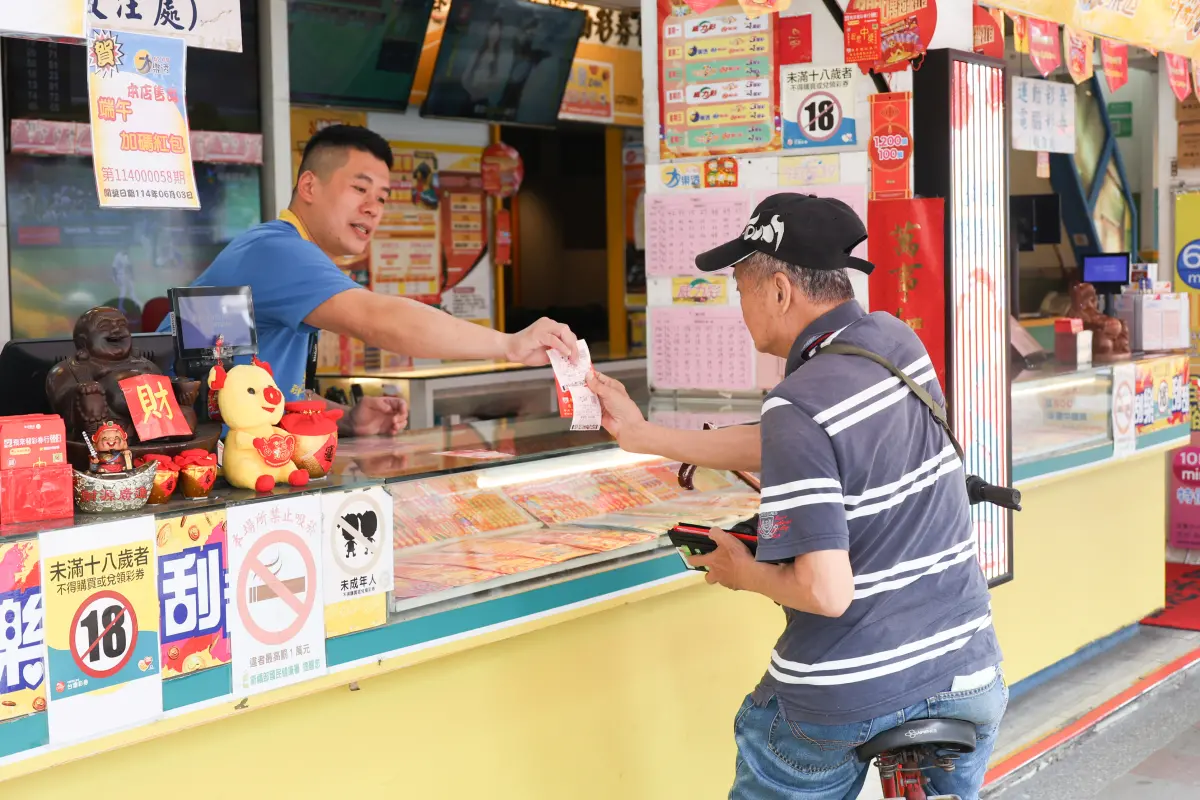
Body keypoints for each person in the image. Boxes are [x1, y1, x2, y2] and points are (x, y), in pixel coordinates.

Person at [587, 193, 1005, 800]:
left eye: (740, 289)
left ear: (780, 291)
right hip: (968, 676)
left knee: (778, 734)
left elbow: (824, 592)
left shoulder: (798, 403)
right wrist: (644, 436)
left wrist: (740, 571)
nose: (740, 307)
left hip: (848, 690)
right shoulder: (895, 343)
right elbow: (793, 437)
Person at [162, 125, 577, 437]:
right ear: (309, 186)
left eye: (381, 198)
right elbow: (379, 320)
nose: (373, 208)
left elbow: (273, 392)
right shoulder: (278, 251)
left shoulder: (282, 253)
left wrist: (346, 419)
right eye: (359, 189)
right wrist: (508, 344)